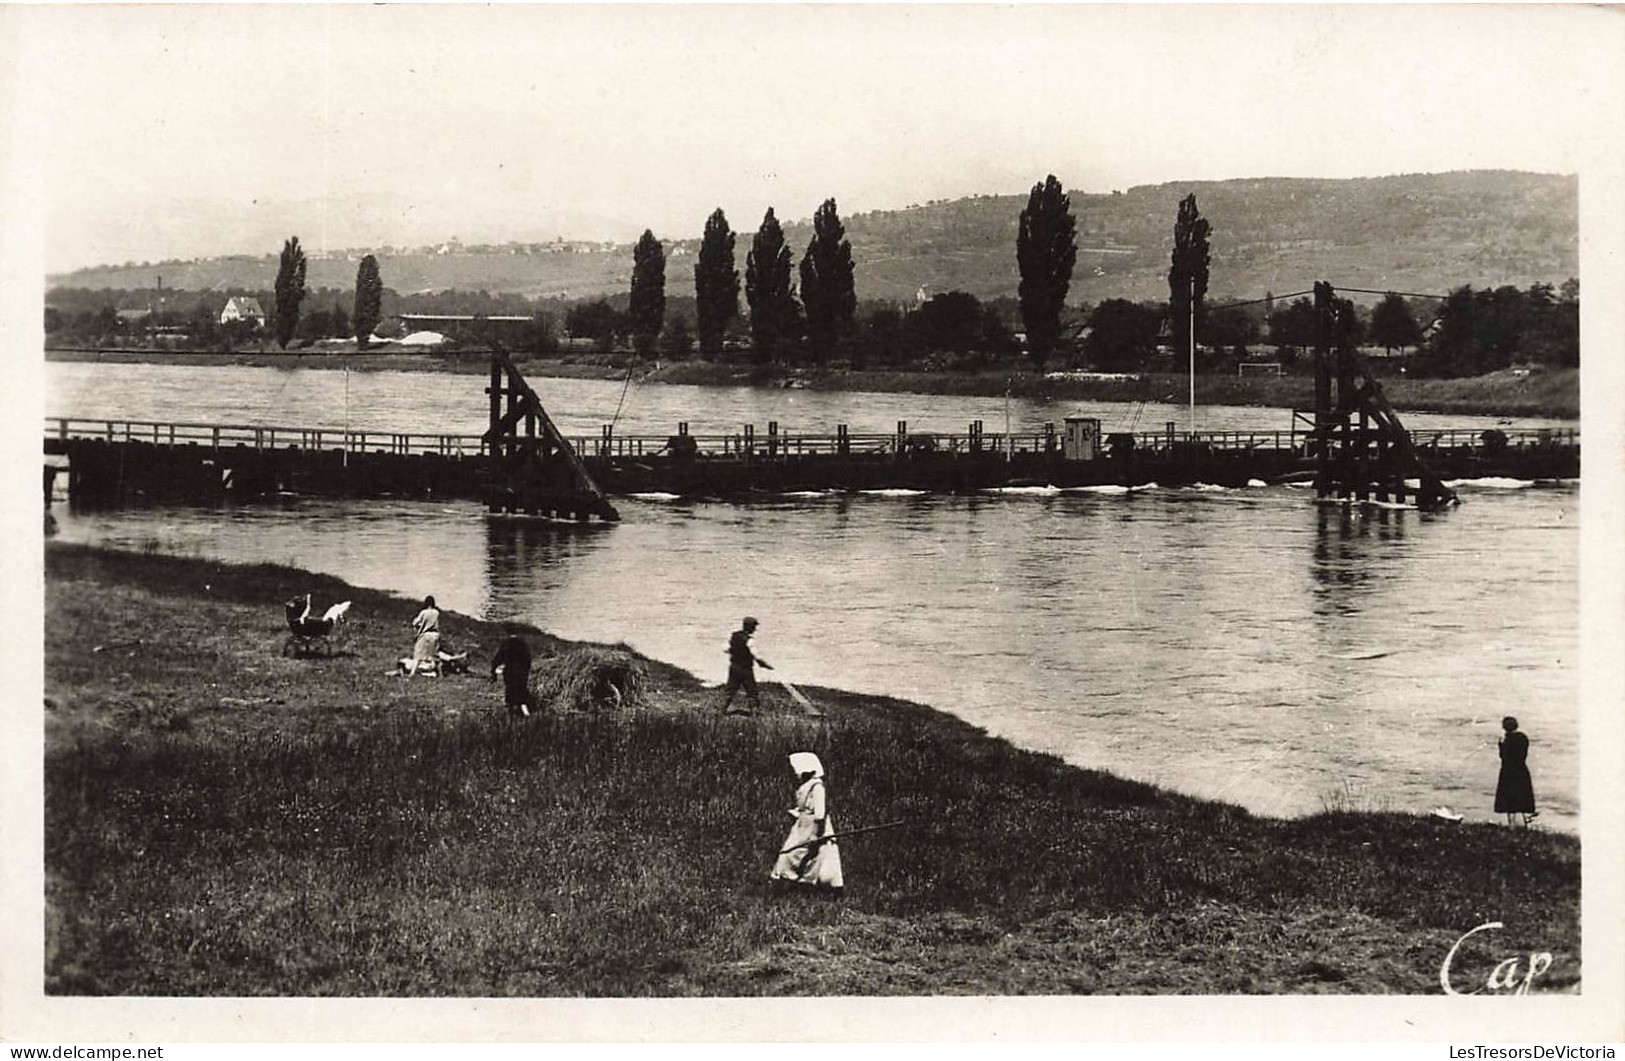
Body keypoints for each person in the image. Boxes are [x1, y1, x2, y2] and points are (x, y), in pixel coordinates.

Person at [770, 752, 843, 895]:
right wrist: (798, 812)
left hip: (816, 828)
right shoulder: (805, 786)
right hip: (802, 828)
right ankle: (788, 885)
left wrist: (816, 834)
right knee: (789, 853)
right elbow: (806, 807)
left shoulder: (817, 787)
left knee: (820, 857)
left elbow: (819, 813)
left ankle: (822, 889)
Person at [721, 616, 772, 715]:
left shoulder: (734, 636)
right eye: (754, 626)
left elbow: (725, 649)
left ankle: (721, 711)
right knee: (752, 692)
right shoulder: (750, 640)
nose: (755, 629)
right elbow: (757, 656)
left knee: (730, 690)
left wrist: (736, 651)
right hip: (745, 670)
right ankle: (754, 714)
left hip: (734, 667)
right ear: (750, 627)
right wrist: (765, 665)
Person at [1495, 716, 1538, 826]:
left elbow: (1503, 756)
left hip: (1508, 771)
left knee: (1509, 799)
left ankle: (1512, 825)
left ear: (1504, 727)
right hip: (1521, 769)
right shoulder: (1523, 738)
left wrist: (1500, 745)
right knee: (1523, 796)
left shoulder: (1507, 740)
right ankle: (1525, 823)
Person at [490, 626, 534, 717]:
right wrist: (526, 670)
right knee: (521, 688)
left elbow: (498, 658)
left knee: (510, 689)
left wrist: (493, 672)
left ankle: (511, 711)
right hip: (522, 671)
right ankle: (525, 711)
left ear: (507, 633)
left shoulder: (506, 644)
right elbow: (528, 659)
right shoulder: (523, 644)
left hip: (510, 671)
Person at [410, 595, 441, 671]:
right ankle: (440, 673)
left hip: (425, 635)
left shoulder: (424, 612)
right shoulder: (436, 612)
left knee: (417, 655)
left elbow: (415, 623)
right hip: (435, 635)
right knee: (434, 655)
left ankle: (412, 673)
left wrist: (416, 624)